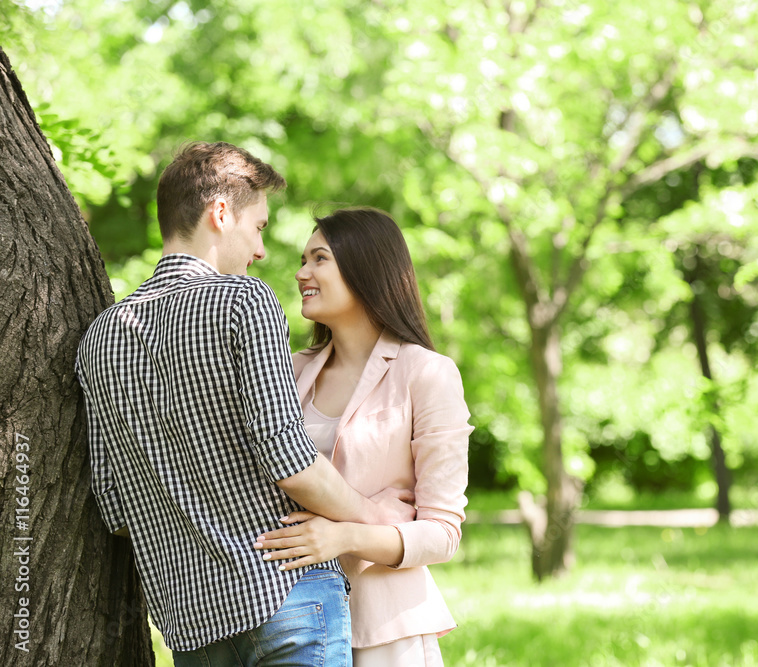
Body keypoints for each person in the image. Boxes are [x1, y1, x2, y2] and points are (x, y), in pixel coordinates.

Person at [75, 143, 413, 666]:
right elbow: (288, 460)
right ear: (220, 213)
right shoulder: (244, 301)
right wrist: (374, 522)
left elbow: (115, 503)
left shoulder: (100, 338)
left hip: (190, 627)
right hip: (283, 596)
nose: (260, 251)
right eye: (258, 227)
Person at [253, 207, 473, 667]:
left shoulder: (427, 374)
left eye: (319, 259)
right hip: (285, 618)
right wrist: (385, 512)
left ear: (365, 266)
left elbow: (442, 533)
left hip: (383, 628)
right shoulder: (287, 372)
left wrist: (345, 536)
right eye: (303, 259)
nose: (300, 273)